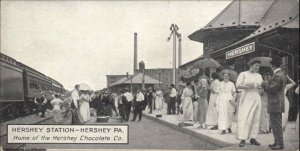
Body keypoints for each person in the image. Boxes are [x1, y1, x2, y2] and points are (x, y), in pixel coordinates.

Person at [236, 59, 263, 147]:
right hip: (246, 97)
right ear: (251, 65)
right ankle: (242, 138)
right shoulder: (243, 74)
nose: (257, 67)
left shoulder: (259, 76)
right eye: (256, 65)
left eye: (258, 66)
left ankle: (253, 138)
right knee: (245, 117)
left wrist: (261, 89)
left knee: (256, 117)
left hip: (256, 97)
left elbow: (261, 86)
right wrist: (248, 86)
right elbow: (238, 85)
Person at [262, 57, 287, 150]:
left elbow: (271, 89)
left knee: (276, 124)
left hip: (275, 103)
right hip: (277, 102)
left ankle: (280, 144)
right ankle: (277, 142)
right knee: (275, 124)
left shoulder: (277, 75)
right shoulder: (280, 74)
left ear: (272, 66)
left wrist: (264, 83)